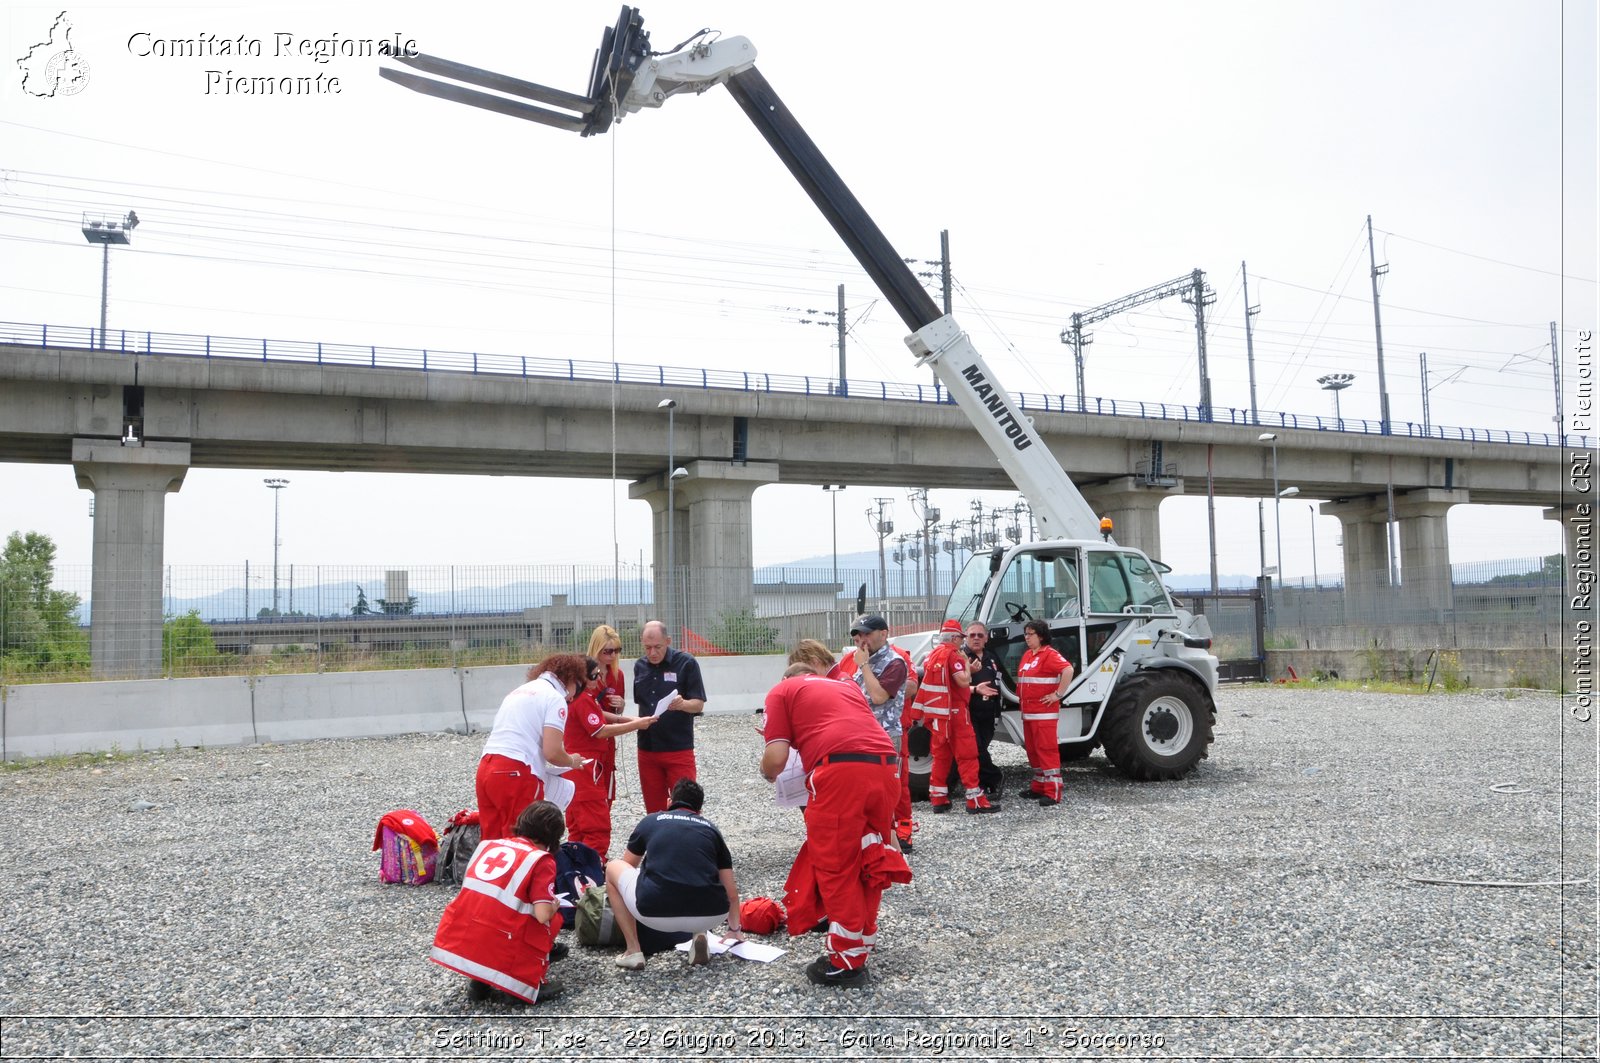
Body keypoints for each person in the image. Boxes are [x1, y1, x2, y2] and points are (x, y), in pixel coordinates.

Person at [761, 660, 911, 988]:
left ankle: (846, 961)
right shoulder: (844, 686)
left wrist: (767, 772)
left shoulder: (781, 691)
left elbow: (776, 758)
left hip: (841, 773)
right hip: (885, 767)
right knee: (871, 859)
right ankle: (861, 942)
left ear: (786, 677)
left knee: (836, 865)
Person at [430, 800, 567, 1005]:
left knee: (489, 908)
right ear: (554, 836)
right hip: (502, 938)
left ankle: (479, 982)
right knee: (553, 919)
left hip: (460, 935)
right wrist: (554, 905)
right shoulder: (540, 859)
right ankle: (521, 983)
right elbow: (542, 914)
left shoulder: (488, 845)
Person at [606, 778, 743, 971]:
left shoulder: (651, 821)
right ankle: (699, 934)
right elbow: (731, 893)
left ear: (669, 802)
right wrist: (734, 930)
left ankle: (633, 951)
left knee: (614, 868)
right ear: (700, 811)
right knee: (698, 874)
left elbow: (627, 865)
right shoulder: (712, 829)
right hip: (711, 915)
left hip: (654, 913)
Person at [476, 654, 592, 840]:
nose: (573, 698)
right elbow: (552, 751)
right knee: (524, 839)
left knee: (491, 840)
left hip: (487, 766)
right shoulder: (555, 698)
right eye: (577, 689)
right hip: (517, 770)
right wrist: (571, 761)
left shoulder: (519, 691)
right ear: (571, 679)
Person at [834, 614, 918, 851]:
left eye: (867, 634)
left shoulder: (895, 662)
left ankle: (892, 846)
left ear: (884, 633)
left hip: (884, 737)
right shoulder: (854, 660)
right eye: (858, 635)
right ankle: (870, 840)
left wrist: (863, 665)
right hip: (857, 734)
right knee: (861, 792)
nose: (862, 639)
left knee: (885, 794)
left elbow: (879, 696)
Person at [565, 656, 655, 858]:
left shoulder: (580, 699)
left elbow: (601, 715)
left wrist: (632, 719)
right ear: (582, 678)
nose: (599, 679)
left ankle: (578, 869)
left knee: (578, 827)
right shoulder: (581, 700)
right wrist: (635, 725)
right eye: (595, 675)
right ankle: (592, 871)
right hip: (586, 769)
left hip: (576, 770)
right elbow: (600, 730)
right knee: (596, 826)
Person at [915, 619, 995, 814]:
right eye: (962, 637)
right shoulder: (955, 655)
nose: (963, 641)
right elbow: (962, 681)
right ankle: (975, 800)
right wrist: (968, 667)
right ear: (954, 637)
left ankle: (938, 798)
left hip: (939, 715)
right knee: (968, 756)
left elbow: (946, 684)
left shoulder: (932, 656)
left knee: (941, 757)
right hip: (957, 714)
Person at [632, 620, 707, 814]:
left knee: (686, 809)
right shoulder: (639, 666)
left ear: (668, 641)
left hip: (678, 749)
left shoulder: (686, 663)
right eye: (647, 648)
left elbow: (698, 704)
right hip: (647, 750)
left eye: (657, 647)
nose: (653, 653)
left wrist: (683, 704)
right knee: (654, 811)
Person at [1016, 619, 1075, 805]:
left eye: (1030, 634)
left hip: (1044, 715)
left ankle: (1053, 792)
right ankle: (1039, 787)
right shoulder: (1028, 655)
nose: (1026, 637)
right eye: (1025, 634)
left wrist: (1058, 694)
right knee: (1033, 752)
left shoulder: (1049, 654)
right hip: (1029, 714)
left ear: (1040, 636)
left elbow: (1068, 670)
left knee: (1046, 751)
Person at [960, 620, 1006, 797]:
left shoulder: (991, 657)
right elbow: (953, 685)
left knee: (982, 749)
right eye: (972, 635)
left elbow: (999, 681)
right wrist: (974, 689)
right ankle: (995, 777)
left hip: (989, 712)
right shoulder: (960, 657)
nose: (976, 638)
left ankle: (983, 785)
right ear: (966, 637)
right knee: (975, 748)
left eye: (980, 635)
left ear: (986, 638)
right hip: (968, 712)